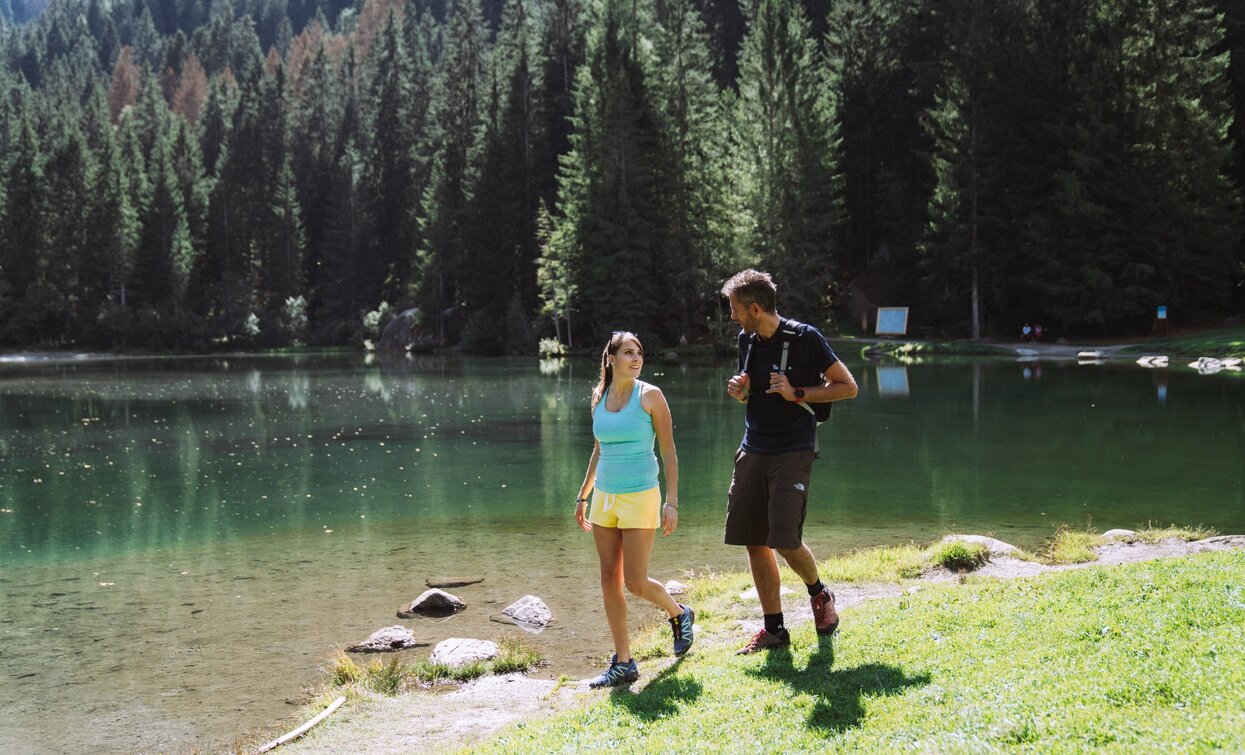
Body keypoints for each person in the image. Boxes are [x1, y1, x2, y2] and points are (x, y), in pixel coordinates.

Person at [722, 270, 858, 654]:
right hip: (753, 447)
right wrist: (742, 392)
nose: (732, 316)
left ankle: (819, 594)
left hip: (794, 448)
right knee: (753, 539)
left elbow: (847, 387)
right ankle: (775, 630)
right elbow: (752, 393)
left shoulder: (805, 338)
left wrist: (797, 392)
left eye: (735, 309)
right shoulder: (746, 339)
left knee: (784, 538)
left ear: (754, 307)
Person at [574, 331, 695, 687]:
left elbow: (669, 451)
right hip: (604, 499)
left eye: (639, 352)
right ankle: (624, 662)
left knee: (636, 581)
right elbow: (598, 450)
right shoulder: (599, 396)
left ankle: (678, 612)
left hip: (641, 494)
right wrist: (583, 496)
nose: (636, 358)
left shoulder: (651, 396)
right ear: (610, 358)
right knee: (609, 579)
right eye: (628, 352)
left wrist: (671, 501)